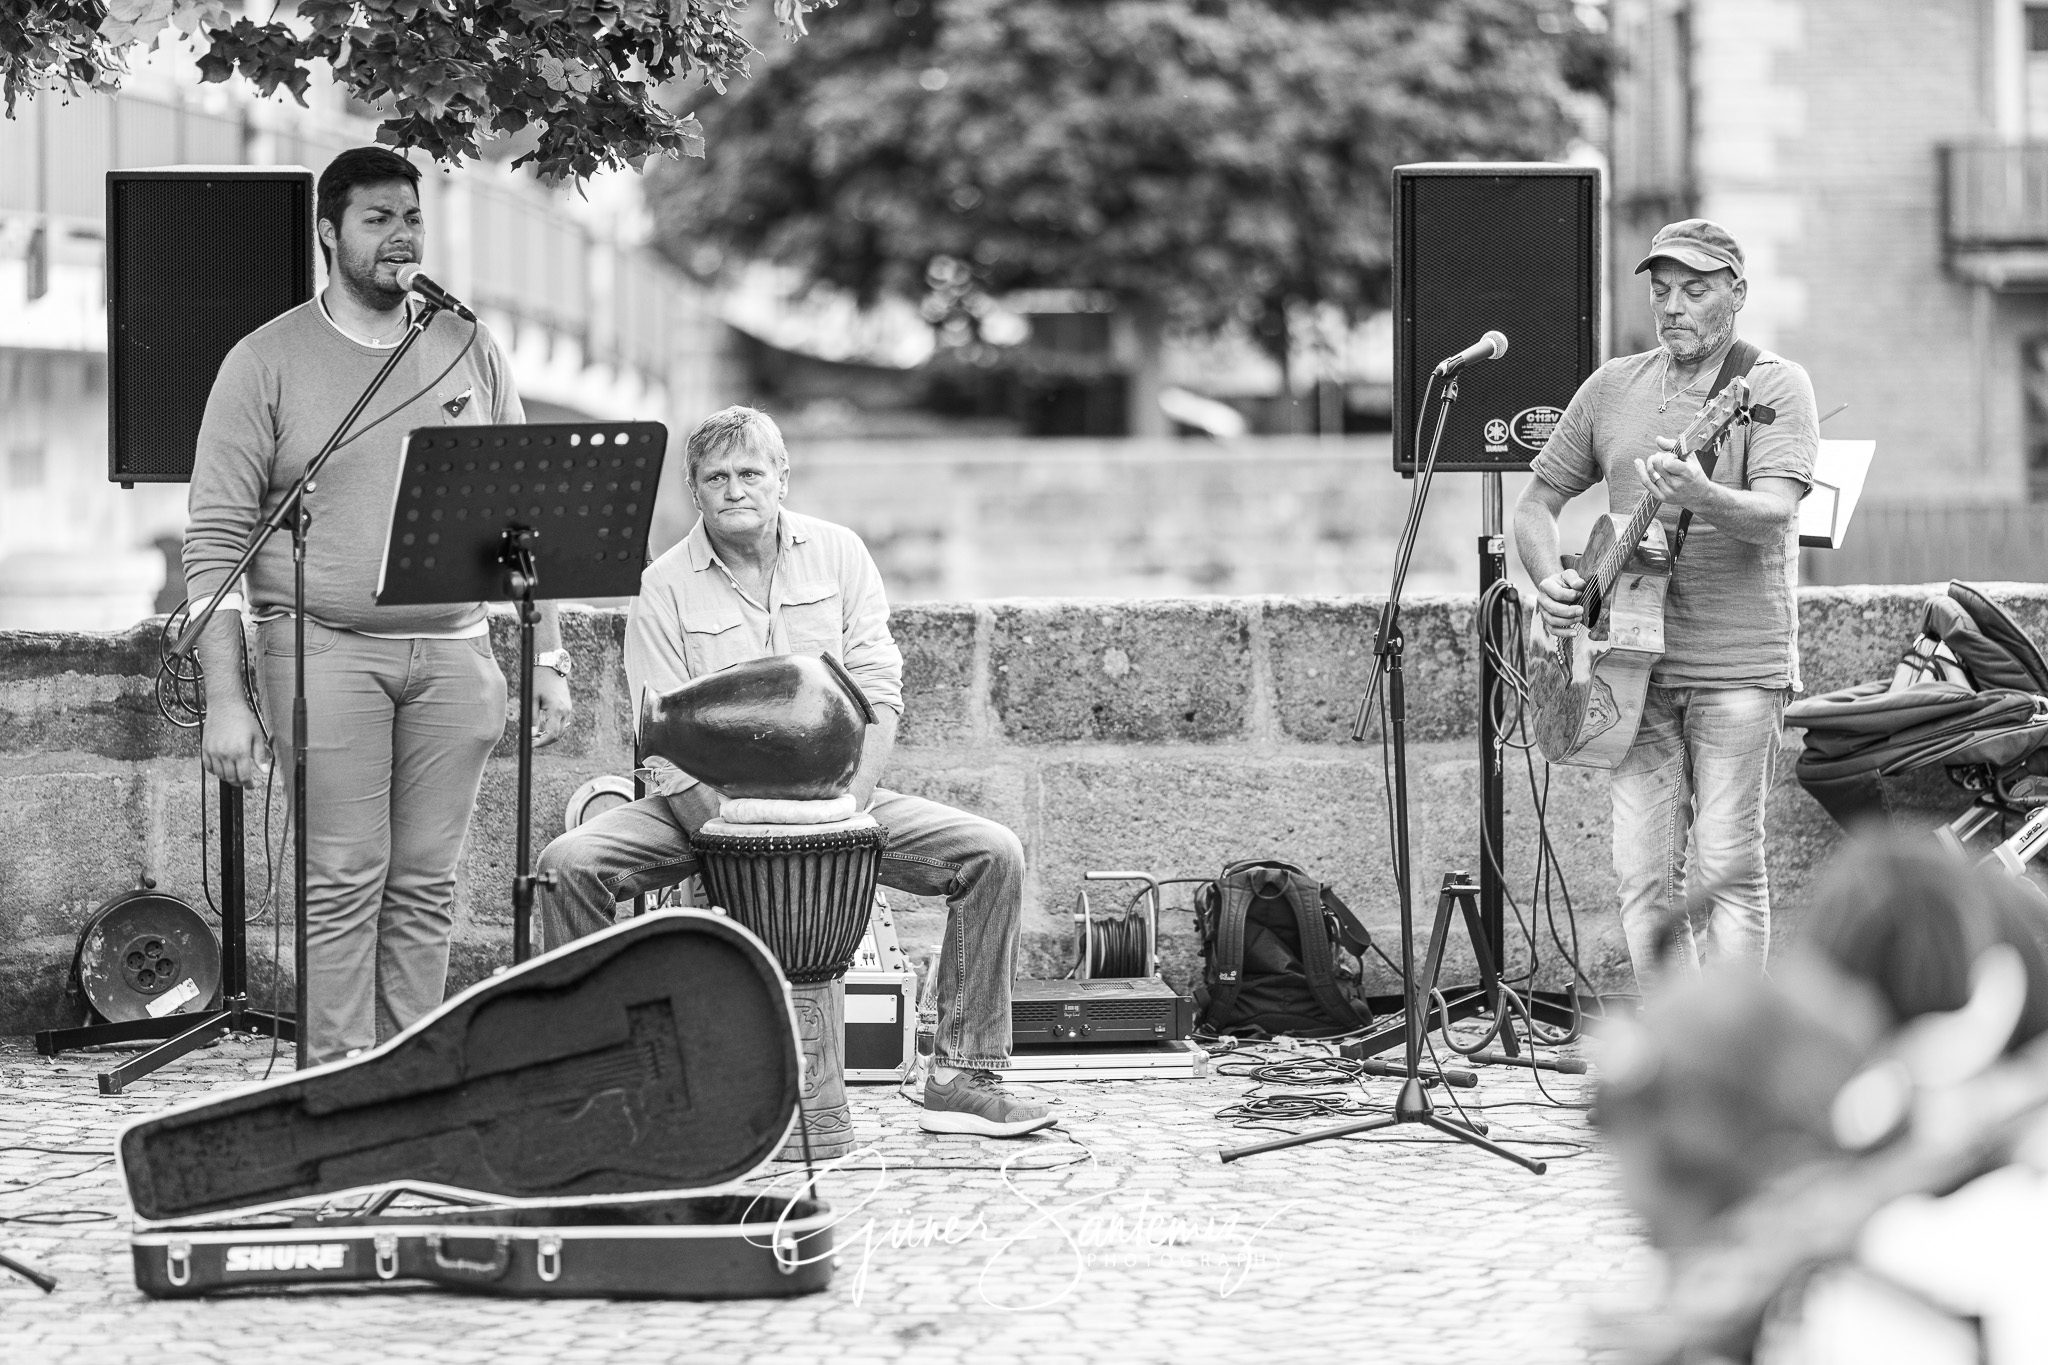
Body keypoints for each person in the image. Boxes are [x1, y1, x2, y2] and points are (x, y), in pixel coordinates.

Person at [535, 406, 1054, 1139]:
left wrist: (845, 816)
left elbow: (878, 692)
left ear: (782, 477)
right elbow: (663, 743)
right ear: (693, 489)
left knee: (991, 853)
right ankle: (597, 1082)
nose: (735, 488)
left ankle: (963, 1074)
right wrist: (731, 839)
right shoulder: (663, 585)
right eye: (716, 476)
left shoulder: (840, 554)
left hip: (836, 805)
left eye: (751, 471)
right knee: (567, 866)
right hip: (708, 810)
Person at [184, 146, 573, 1065]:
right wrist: (226, 697)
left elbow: (524, 515)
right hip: (321, 649)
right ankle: (338, 1091)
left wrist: (546, 659)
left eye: (412, 218)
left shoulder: (468, 344)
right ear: (328, 233)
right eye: (378, 219)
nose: (401, 237)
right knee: (342, 880)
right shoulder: (263, 360)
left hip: (454, 655)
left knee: (427, 885)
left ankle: (412, 1086)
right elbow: (215, 542)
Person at [1514, 218, 1819, 986]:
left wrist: (1702, 494)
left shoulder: (1774, 383)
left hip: (1736, 668)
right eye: (1661, 291)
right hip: (1624, 671)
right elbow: (1533, 508)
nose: (1673, 305)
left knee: (1727, 870)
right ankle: (1670, 1058)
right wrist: (1550, 578)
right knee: (1643, 875)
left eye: (1695, 288)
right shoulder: (1612, 385)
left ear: (1737, 293)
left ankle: (1732, 1059)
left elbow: (1777, 512)